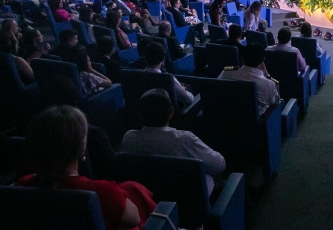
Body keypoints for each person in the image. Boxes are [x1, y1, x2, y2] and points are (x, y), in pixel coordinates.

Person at [16, 106, 155, 230]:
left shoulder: (22, 186)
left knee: (131, 187)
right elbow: (134, 219)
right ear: (80, 149)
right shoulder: (102, 193)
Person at [121, 89, 225, 196]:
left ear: (140, 115)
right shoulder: (185, 139)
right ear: (171, 112)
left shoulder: (129, 138)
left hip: (152, 199)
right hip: (194, 201)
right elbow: (219, 165)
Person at [219, 43, 281, 115]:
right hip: (255, 124)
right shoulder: (269, 84)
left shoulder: (226, 73)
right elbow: (275, 103)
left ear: (242, 58)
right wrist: (267, 75)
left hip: (226, 118)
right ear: (263, 60)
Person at [144, 42, 195, 107]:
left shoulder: (135, 76)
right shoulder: (169, 79)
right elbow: (189, 99)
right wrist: (183, 90)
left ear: (145, 58)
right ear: (163, 59)